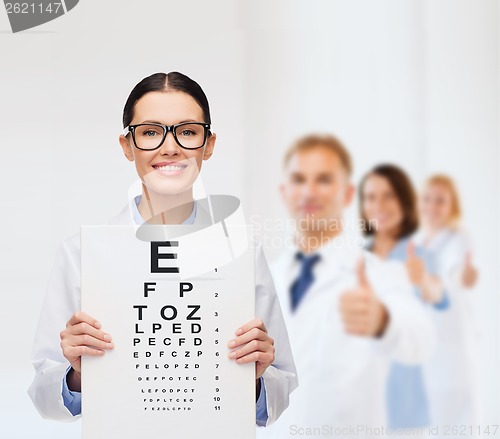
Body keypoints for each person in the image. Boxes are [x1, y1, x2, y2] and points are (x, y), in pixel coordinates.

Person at [27, 71, 298, 427]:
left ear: (209, 144)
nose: (169, 147)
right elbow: (47, 400)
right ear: (127, 146)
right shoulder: (81, 253)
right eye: (151, 132)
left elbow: (279, 395)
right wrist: (78, 373)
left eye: (187, 132)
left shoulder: (241, 252)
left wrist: (259, 379)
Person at [257, 134, 436, 439]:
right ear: (285, 192)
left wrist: (383, 322)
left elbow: (421, 339)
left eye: (324, 179)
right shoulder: (264, 277)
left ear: (348, 193)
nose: (309, 191)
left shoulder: (379, 273)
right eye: (299, 179)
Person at [358, 164, 448, 432]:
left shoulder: (420, 256)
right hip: (360, 398)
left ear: (405, 201)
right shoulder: (354, 259)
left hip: (405, 402)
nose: (379, 205)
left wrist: (424, 281)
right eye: (371, 197)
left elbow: (440, 296)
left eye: (389, 196)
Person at [414, 174, 480, 433]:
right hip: (426, 358)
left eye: (440, 201)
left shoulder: (459, 239)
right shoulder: (417, 244)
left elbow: (458, 272)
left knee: (453, 426)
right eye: (427, 199)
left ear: (453, 206)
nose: (432, 207)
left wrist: (463, 275)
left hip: (452, 359)